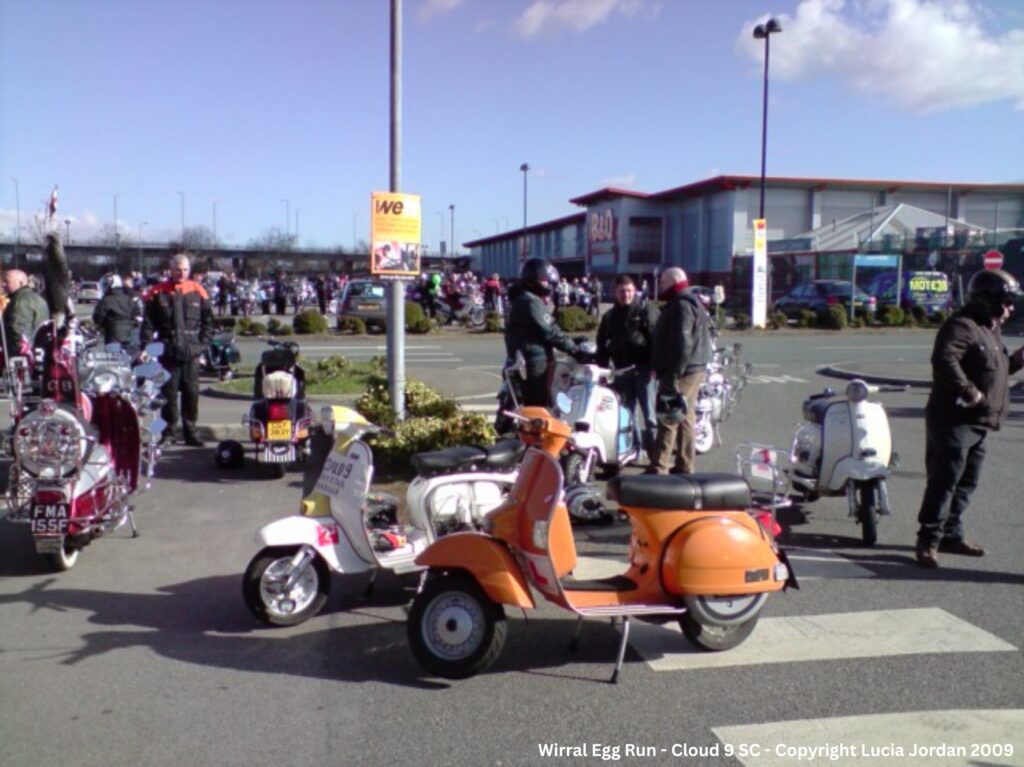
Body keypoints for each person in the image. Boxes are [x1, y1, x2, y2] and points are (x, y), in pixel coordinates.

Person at [913, 268, 1024, 568]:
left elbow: (995, 370)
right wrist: (969, 391)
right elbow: (944, 359)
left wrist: (1016, 361)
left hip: (980, 421)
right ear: (990, 300)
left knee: (966, 482)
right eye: (1007, 301)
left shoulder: (989, 329)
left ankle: (951, 534)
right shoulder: (963, 326)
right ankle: (928, 540)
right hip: (954, 419)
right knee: (945, 480)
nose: (1011, 308)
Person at [141, 253, 213, 447]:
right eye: (177, 270)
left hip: (191, 352)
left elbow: (209, 322)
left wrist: (202, 345)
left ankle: (191, 432)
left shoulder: (199, 290)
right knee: (168, 395)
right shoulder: (158, 292)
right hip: (168, 352)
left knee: (191, 393)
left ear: (189, 271)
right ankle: (169, 433)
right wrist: (146, 347)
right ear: (170, 270)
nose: (181, 273)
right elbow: (148, 324)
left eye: (184, 270)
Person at [649, 267, 711, 475]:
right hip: (694, 366)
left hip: (683, 369)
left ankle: (660, 467)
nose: (660, 286)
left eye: (663, 282)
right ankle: (685, 464)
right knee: (686, 415)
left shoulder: (681, 305)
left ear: (673, 281)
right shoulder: (689, 301)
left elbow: (683, 343)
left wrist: (672, 376)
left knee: (670, 414)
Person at [596, 273, 660, 457]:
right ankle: (635, 450)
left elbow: (657, 339)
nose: (626, 295)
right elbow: (602, 345)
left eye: (630, 291)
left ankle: (656, 456)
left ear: (635, 291)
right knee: (628, 414)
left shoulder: (645, 310)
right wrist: (602, 371)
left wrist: (656, 366)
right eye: (622, 291)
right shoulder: (609, 316)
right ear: (615, 292)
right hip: (621, 371)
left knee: (650, 415)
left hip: (644, 369)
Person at [504, 258, 579, 407]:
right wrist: (574, 348)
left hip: (520, 359)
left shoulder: (518, 299)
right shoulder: (531, 302)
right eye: (544, 281)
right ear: (533, 280)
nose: (547, 285)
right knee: (539, 408)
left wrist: (573, 340)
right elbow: (550, 331)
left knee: (524, 406)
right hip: (534, 363)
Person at [2, 269, 49, 353]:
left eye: (7, 281)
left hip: (23, 357)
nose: (3, 284)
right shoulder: (38, 298)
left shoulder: (20, 302)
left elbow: (17, 332)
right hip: (38, 351)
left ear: (20, 283)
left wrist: (17, 355)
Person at [93, 273, 142, 346]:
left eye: (107, 284)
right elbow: (137, 314)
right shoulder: (128, 299)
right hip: (130, 334)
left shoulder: (106, 300)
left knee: (114, 355)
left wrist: (100, 326)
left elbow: (98, 316)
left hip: (113, 334)